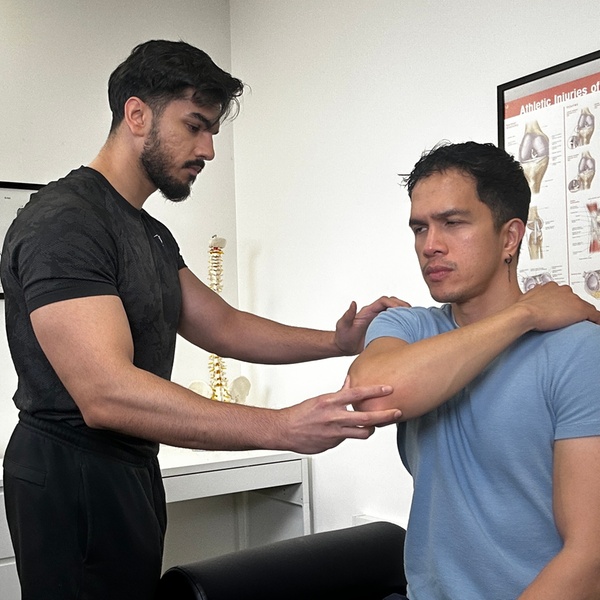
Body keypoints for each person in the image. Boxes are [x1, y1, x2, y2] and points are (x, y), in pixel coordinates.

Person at [0, 40, 406, 600]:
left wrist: (338, 342)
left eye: (212, 130)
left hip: (129, 466)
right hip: (72, 472)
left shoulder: (148, 231)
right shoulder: (65, 222)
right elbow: (106, 393)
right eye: (194, 126)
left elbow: (222, 325)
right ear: (136, 115)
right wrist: (282, 427)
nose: (209, 150)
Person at [349, 141, 600, 599]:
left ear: (510, 237)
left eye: (453, 223)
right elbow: (373, 395)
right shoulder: (405, 327)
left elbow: (589, 556)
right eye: (420, 228)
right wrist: (524, 315)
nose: (430, 245)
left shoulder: (577, 351)